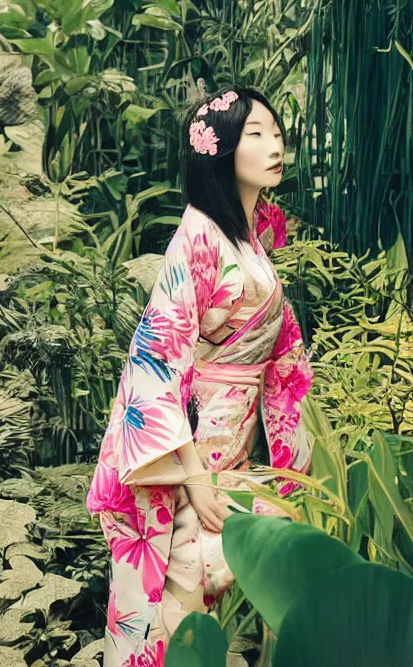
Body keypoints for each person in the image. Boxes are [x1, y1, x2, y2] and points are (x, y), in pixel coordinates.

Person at [86, 84, 314, 667]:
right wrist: (193, 476)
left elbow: (281, 362)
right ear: (220, 150)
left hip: (226, 454)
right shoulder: (199, 235)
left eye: (277, 133)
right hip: (191, 459)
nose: (274, 145)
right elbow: (157, 360)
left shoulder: (247, 238)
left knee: (195, 614)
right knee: (175, 615)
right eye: (255, 134)